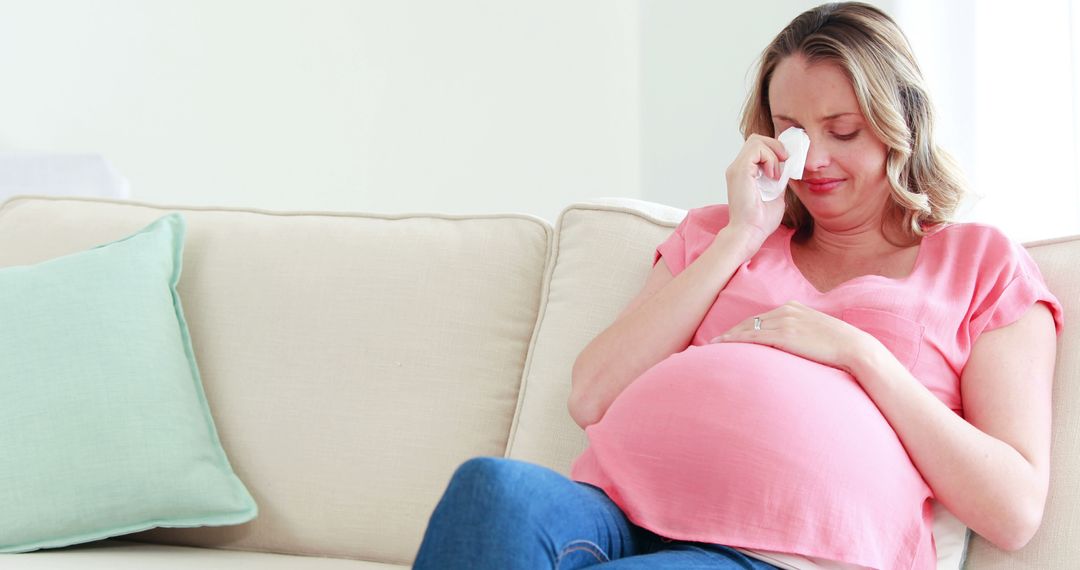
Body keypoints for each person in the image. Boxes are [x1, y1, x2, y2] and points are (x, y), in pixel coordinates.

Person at [412, 3, 1063, 569]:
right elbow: (591, 393)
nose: (817, 160)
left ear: (904, 124)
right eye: (793, 133)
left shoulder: (980, 264)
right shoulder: (718, 235)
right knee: (490, 492)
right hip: (613, 516)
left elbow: (1012, 509)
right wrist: (741, 237)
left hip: (778, 557)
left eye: (844, 130)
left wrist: (857, 354)